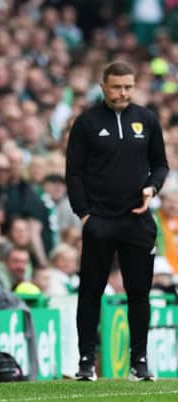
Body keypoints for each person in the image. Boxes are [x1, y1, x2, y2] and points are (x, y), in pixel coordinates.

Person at [65, 61, 169, 382]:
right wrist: (84, 214)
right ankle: (85, 362)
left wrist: (153, 187)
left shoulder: (147, 120)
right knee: (91, 292)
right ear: (103, 87)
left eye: (128, 87)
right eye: (116, 87)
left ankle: (139, 362)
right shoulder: (86, 122)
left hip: (137, 221)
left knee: (139, 294)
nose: (122, 93)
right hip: (100, 221)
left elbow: (161, 165)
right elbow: (73, 173)